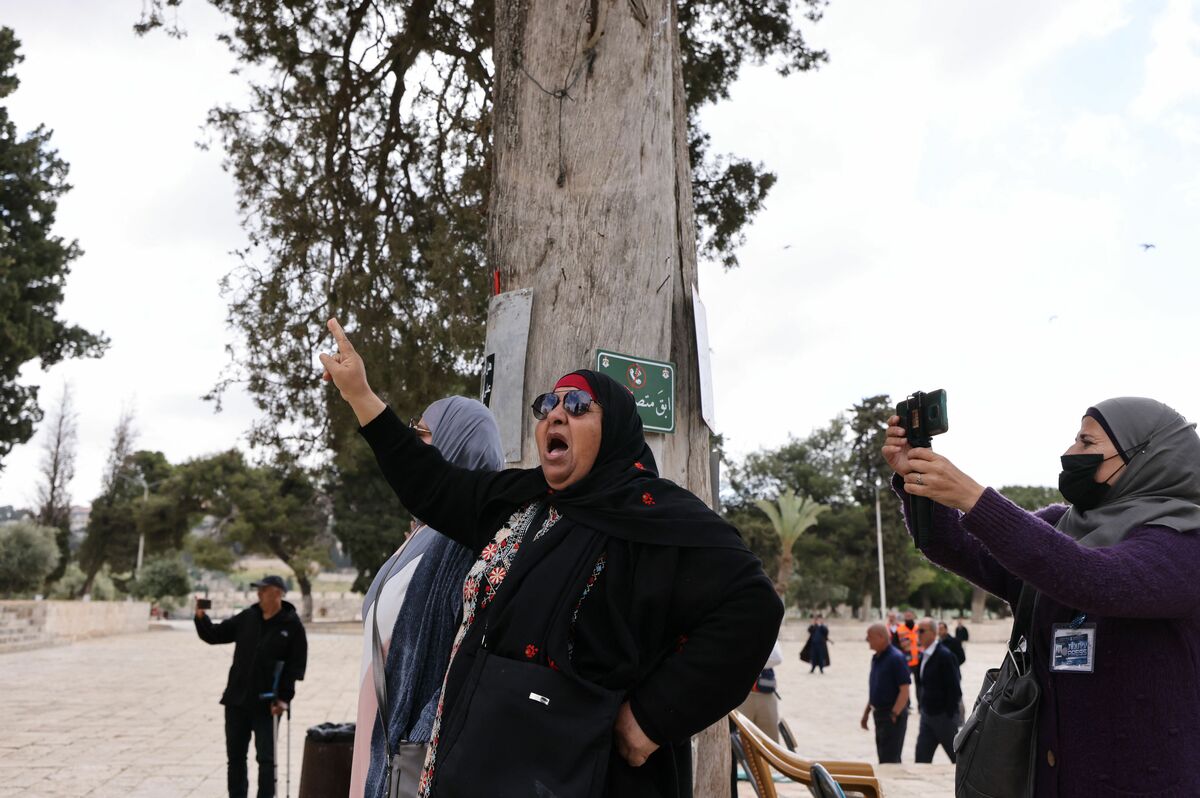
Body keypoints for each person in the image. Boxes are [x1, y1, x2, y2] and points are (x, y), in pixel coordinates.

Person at [319, 319, 783, 798]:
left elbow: (753, 607)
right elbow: (434, 485)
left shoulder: (655, 516)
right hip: (490, 766)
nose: (556, 415)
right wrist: (361, 396)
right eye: (548, 405)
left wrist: (651, 717)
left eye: (578, 406)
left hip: (594, 777)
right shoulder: (526, 499)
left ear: (615, 429)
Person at [885, 397, 1200, 796]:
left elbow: (1095, 579)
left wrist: (973, 497)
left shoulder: (1184, 541)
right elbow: (959, 547)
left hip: (1147, 780)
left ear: (1146, 457)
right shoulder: (1062, 524)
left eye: (1087, 443)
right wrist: (917, 477)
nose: (1070, 453)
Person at [349, 397, 504, 798]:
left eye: (421, 434)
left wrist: (414, 750)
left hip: (415, 747)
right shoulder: (425, 533)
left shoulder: (467, 542)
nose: (411, 444)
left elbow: (465, 661)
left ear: (457, 444)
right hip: (384, 732)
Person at [195, 576, 308, 798]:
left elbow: (296, 667)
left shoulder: (292, 625)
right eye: (258, 590)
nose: (258, 594)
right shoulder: (248, 617)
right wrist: (201, 616)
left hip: (268, 704)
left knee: (266, 759)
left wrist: (284, 698)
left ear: (278, 593)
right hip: (237, 700)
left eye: (263, 590)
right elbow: (215, 635)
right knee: (235, 758)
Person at [860, 622, 910, 764]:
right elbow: (876, 688)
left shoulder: (896, 658)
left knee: (890, 760)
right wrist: (866, 713)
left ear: (881, 637)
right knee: (883, 757)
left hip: (891, 715)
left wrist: (894, 713)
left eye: (870, 637)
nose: (867, 640)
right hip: (879, 714)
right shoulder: (876, 658)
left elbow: (904, 690)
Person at [914, 617, 961, 763]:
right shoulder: (923, 655)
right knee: (921, 759)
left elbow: (955, 688)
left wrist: (948, 714)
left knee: (958, 760)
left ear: (933, 633)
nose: (918, 634)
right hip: (927, 715)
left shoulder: (944, 656)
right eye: (917, 631)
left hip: (943, 717)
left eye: (922, 631)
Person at [737, 640, 784, 742]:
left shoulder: (767, 630)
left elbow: (777, 658)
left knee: (770, 740)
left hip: (765, 695)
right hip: (742, 695)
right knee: (742, 740)